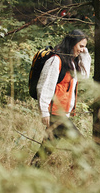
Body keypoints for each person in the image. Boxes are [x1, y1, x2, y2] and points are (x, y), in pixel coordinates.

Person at [32, 29, 91, 167]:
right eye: (80, 46)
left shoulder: (72, 62)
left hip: (63, 113)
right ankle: (77, 175)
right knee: (82, 146)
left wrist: (85, 55)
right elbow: (44, 86)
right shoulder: (55, 60)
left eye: (84, 47)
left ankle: (27, 176)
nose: (82, 50)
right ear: (71, 44)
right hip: (55, 114)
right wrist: (44, 112)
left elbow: (84, 76)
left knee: (45, 151)